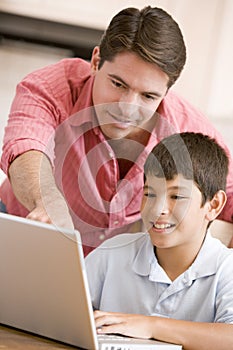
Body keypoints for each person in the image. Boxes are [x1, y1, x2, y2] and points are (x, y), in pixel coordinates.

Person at [0, 6, 233, 255]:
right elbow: (26, 146)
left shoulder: (188, 128)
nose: (127, 108)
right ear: (96, 61)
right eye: (118, 83)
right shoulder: (51, 87)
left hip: (112, 264)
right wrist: (46, 201)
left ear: (166, 92)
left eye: (148, 96)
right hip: (25, 227)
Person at [85, 132, 233, 350]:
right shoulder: (112, 253)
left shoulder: (226, 269)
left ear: (213, 205)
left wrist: (150, 326)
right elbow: (61, 310)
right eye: (150, 194)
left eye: (176, 197)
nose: (158, 209)